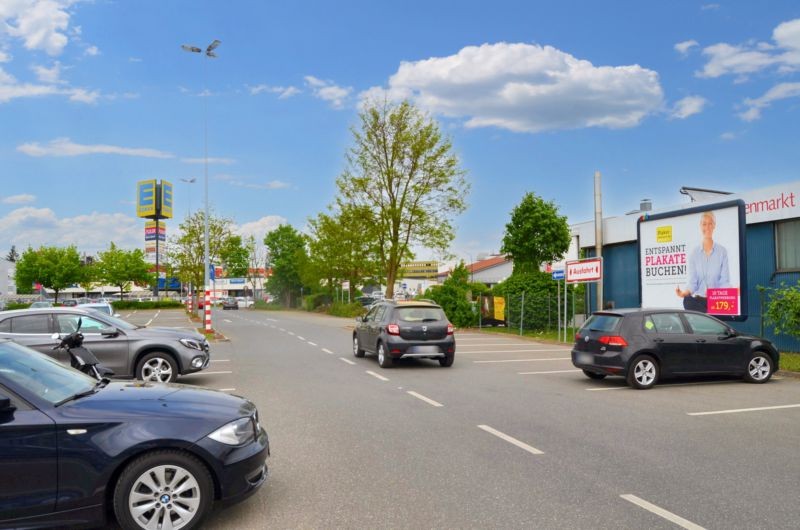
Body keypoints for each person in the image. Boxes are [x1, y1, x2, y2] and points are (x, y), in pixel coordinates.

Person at [675, 211, 730, 312]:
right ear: (700, 226)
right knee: (687, 300)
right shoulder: (694, 253)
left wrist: (730, 292)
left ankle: (707, 316)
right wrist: (684, 293)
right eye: (704, 224)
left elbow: (724, 281)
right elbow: (693, 283)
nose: (707, 227)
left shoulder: (722, 252)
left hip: (716, 301)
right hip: (698, 302)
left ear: (714, 226)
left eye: (710, 223)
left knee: (710, 314)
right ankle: (708, 316)